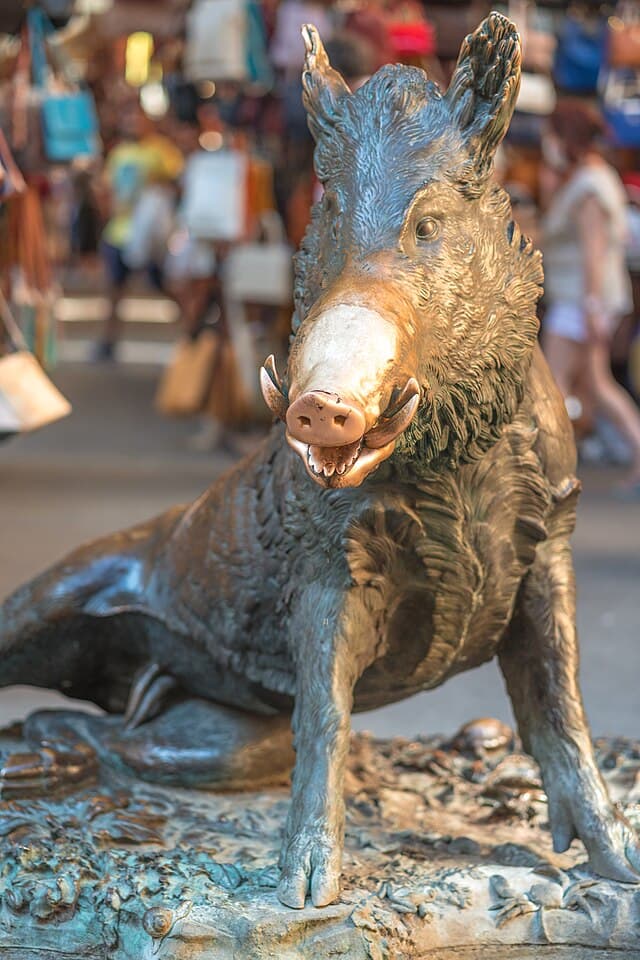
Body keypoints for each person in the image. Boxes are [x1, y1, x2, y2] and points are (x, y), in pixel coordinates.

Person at [541, 99, 640, 495]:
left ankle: (549, 471)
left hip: (579, 301)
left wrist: (593, 307)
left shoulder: (588, 188)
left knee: (553, 386)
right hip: (583, 300)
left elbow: (594, 252)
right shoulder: (592, 178)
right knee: (595, 387)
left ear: (566, 139)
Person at [96, 106, 183, 362]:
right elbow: (108, 189)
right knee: (114, 290)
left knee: (166, 285)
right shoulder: (119, 153)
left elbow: (177, 183)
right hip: (119, 232)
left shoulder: (161, 151)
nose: (132, 123)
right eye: (128, 118)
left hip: (149, 236)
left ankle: (192, 333)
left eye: (137, 119)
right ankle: (108, 342)